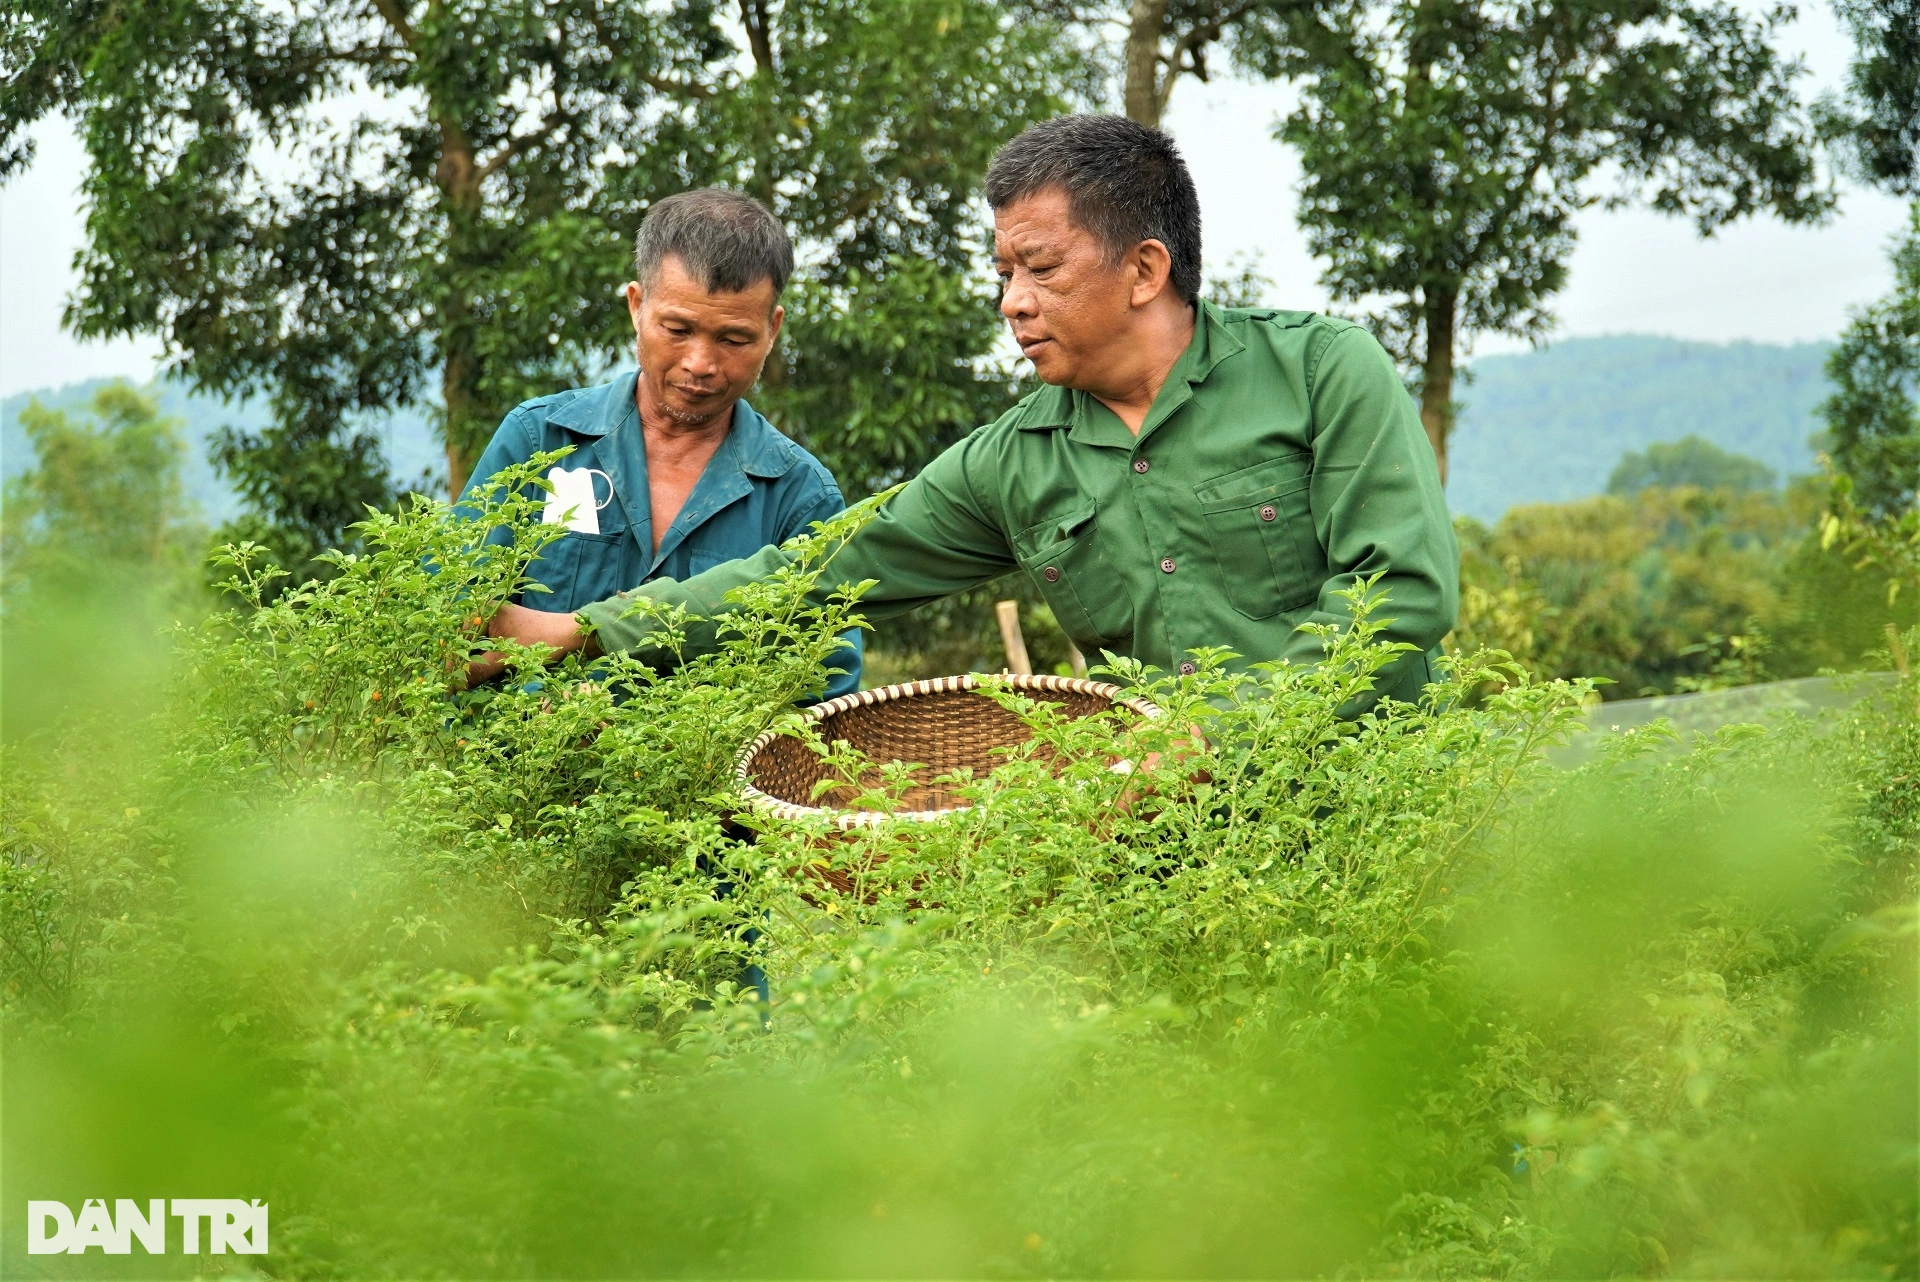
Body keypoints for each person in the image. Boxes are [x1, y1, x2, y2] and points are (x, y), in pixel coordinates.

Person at [481, 115, 1456, 706]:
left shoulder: (1324, 372)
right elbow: (816, 575)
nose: (1012, 302)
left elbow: (1403, 596)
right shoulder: (1012, 462)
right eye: (1002, 272)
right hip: (1170, 848)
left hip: (1374, 825)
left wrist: (1218, 737)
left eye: (1038, 269)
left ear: (1145, 270)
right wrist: (588, 631)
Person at [460, 187, 860, 697]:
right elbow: (452, 626)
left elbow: (820, 694)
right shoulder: (539, 440)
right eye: (677, 328)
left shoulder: (800, 500)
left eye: (733, 339)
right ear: (636, 306)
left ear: (772, 329)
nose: (700, 363)